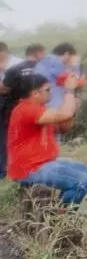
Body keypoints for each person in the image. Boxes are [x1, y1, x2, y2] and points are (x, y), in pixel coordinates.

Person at [7, 74, 87, 204]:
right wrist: (68, 91)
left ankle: (59, 209)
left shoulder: (41, 110)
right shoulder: (26, 109)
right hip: (29, 169)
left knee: (85, 170)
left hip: (41, 164)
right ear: (35, 93)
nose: (51, 92)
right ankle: (59, 218)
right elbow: (64, 114)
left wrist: (73, 109)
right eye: (47, 90)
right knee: (82, 181)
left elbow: (63, 128)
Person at [0, 44, 45, 178]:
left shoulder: (17, 65)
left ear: (4, 52)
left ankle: (15, 171)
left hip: (17, 106)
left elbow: (6, 88)